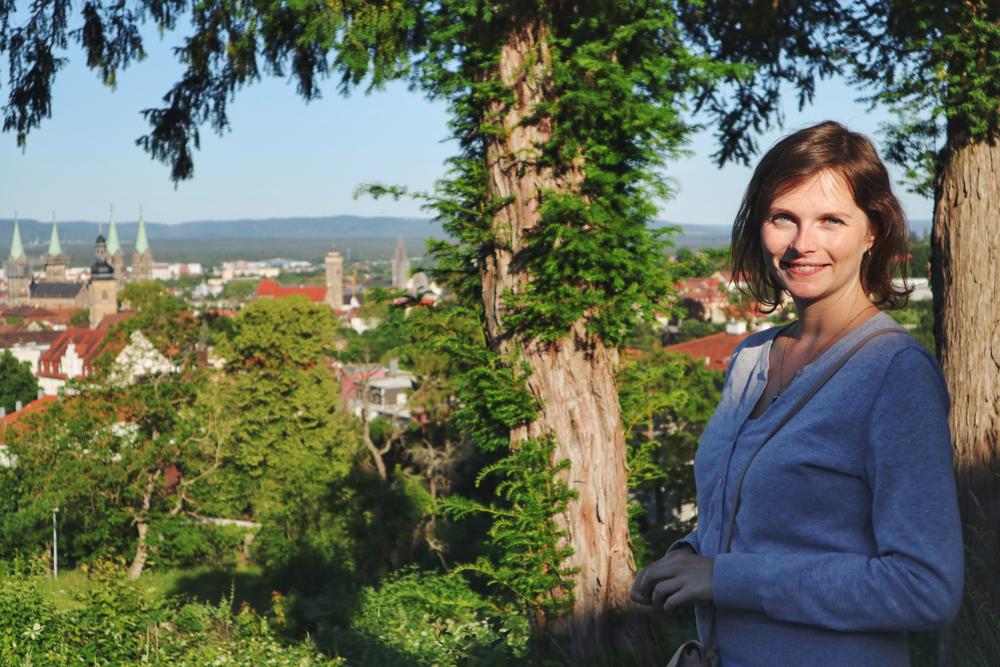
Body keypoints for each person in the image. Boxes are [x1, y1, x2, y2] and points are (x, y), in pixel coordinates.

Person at [630, 121, 963, 666]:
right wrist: (689, 556)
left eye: (831, 220)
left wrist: (723, 576)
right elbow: (769, 520)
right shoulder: (751, 359)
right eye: (783, 217)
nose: (802, 243)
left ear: (872, 231)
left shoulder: (895, 372)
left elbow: (924, 587)